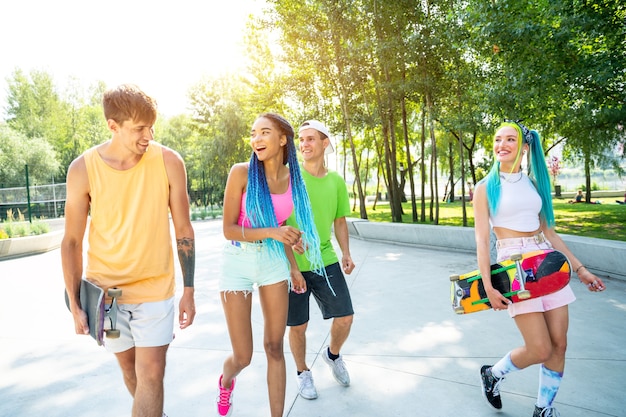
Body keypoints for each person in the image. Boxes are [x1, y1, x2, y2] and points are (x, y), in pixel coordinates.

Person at [61, 84, 196, 417]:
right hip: (107, 297)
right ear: (113, 126)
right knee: (129, 368)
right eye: (139, 128)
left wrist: (189, 289)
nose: (148, 135)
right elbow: (72, 241)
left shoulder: (168, 162)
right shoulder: (83, 169)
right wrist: (75, 303)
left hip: (155, 291)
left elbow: (183, 230)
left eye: (152, 126)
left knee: (151, 372)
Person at [473, 120, 606, 417]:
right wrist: (488, 286)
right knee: (540, 348)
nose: (502, 145)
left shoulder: (534, 185)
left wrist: (580, 269)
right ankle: (493, 374)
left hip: (548, 264)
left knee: (559, 345)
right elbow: (482, 241)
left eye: (510, 139)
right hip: (516, 269)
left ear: (524, 146)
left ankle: (543, 409)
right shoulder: (485, 188)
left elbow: (550, 233)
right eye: (498, 139)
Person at [217, 113, 324, 417]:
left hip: (273, 260)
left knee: (275, 347)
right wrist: (274, 232)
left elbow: (282, 223)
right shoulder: (241, 173)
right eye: (254, 134)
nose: (257, 139)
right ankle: (226, 383)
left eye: (265, 132)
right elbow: (228, 229)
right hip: (237, 260)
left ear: (282, 139)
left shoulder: (294, 179)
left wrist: (292, 247)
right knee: (243, 356)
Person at [286, 120, 355, 400]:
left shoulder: (336, 181)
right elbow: (276, 219)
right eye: (301, 140)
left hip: (325, 260)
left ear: (324, 143)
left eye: (310, 139)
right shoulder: (287, 177)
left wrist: (346, 253)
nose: (304, 145)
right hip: (292, 264)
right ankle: (303, 373)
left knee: (345, 317)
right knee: (298, 325)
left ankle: (333, 355)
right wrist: (291, 257)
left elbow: (340, 221)